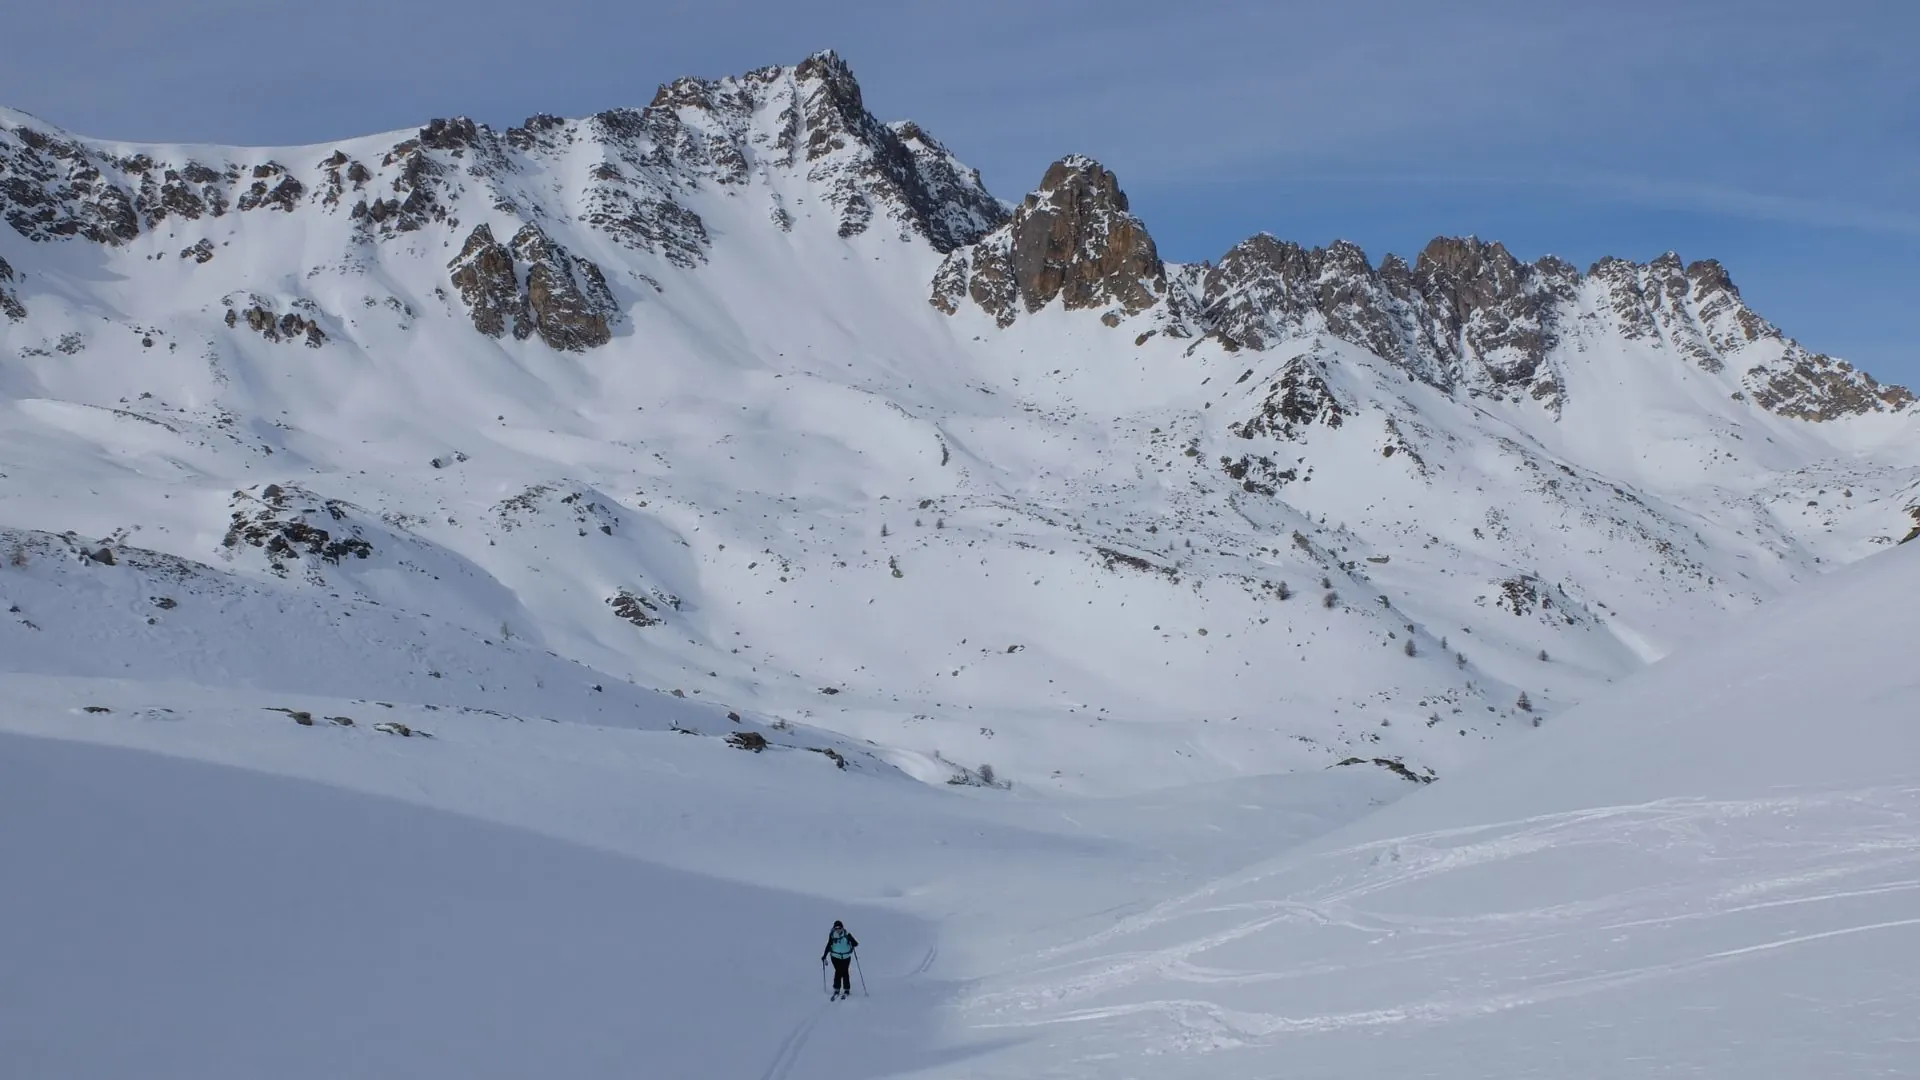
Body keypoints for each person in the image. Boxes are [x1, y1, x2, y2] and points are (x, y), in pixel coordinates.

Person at [821, 920, 859, 999]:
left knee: (844, 971)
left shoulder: (847, 934)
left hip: (845, 957)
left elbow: (855, 944)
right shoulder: (832, 935)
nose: (838, 929)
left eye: (839, 928)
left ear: (842, 927)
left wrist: (851, 940)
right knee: (838, 971)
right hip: (835, 957)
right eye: (836, 928)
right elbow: (829, 945)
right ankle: (837, 988)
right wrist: (824, 955)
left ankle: (846, 989)